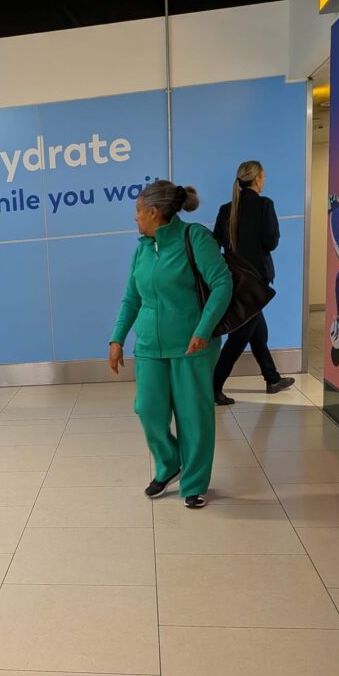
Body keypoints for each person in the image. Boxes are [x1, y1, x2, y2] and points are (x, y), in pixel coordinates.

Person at [109, 182, 232, 509]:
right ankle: (169, 463)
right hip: (150, 345)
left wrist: (203, 330)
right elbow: (131, 298)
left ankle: (194, 483)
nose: (135, 218)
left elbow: (222, 283)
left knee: (193, 415)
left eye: (138, 211)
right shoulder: (142, 249)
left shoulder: (195, 237)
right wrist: (117, 338)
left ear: (153, 212)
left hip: (192, 344)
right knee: (147, 408)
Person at [212, 160, 295, 405]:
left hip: (236, 280)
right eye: (263, 177)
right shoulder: (264, 204)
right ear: (257, 179)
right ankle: (212, 388)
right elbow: (271, 242)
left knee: (258, 331)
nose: (264, 180)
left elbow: (216, 241)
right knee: (240, 336)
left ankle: (272, 378)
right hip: (256, 281)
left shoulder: (226, 209)